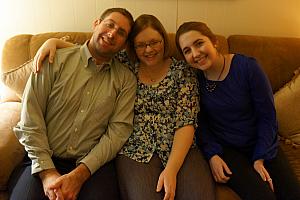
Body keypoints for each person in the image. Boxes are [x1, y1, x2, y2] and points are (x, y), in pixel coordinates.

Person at [32, 15, 216, 200]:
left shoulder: (183, 72)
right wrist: (53, 42)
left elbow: (186, 122)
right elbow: (92, 52)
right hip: (136, 147)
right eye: (141, 45)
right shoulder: (126, 65)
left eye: (154, 42)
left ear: (163, 41)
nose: (149, 49)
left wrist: (171, 170)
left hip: (180, 147)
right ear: (132, 47)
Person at [11, 8, 136, 200]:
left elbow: (118, 131)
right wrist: (48, 173)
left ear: (124, 44)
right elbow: (30, 119)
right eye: (109, 24)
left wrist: (80, 175)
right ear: (96, 24)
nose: (112, 34)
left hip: (93, 166)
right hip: (43, 157)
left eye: (121, 33)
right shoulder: (53, 60)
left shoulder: (125, 79)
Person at [175, 21, 300, 200]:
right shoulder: (194, 79)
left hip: (261, 141)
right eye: (187, 51)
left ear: (214, 42)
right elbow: (200, 123)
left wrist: (260, 157)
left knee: (293, 194)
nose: (195, 54)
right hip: (228, 149)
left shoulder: (248, 67)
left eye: (199, 43)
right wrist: (213, 155)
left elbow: (267, 116)